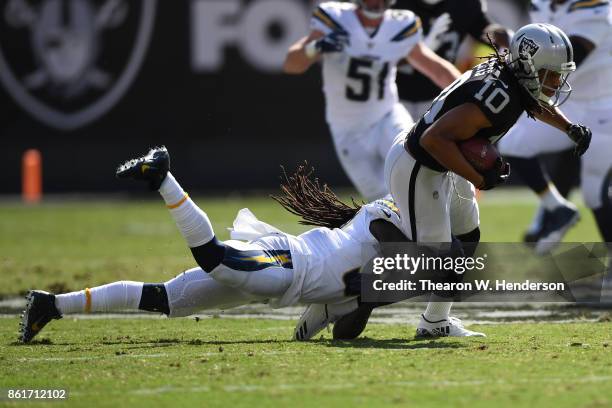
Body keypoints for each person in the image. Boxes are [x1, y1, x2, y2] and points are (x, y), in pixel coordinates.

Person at [18, 147, 486, 344]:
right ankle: (163, 176)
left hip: (286, 279)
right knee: (215, 260)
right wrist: (375, 292)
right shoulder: (390, 216)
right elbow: (385, 259)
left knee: (168, 300)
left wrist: (357, 304)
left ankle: (50, 306)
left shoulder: (396, 256)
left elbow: (346, 332)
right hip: (290, 263)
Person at [328, 23, 593, 340]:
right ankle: (350, 298)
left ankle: (435, 321)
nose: (557, 82)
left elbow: (533, 101)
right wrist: (479, 176)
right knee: (436, 259)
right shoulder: (497, 95)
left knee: (467, 236)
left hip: (443, 164)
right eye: (551, 74)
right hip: (418, 164)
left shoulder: (514, 78)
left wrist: (569, 128)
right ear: (530, 65)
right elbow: (433, 139)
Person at [283, 0, 460, 201]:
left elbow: (435, 68)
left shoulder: (399, 24)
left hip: (387, 117)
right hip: (347, 129)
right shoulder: (334, 18)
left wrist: (470, 91)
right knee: (382, 201)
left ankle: (448, 227)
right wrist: (315, 47)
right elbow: (291, 65)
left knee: (417, 171)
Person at [498, 0, 612, 253]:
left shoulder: (597, 8)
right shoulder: (542, 3)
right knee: (513, 144)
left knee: (594, 193)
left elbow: (568, 60)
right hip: (568, 104)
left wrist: (514, 60)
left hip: (602, 109)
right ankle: (557, 208)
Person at [394, 0, 512, 120]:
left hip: (438, 96)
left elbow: (486, 30)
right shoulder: (395, 5)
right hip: (394, 97)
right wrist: (423, 48)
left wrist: (511, 39)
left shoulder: (465, 5)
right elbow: (381, 57)